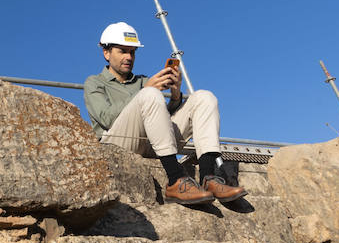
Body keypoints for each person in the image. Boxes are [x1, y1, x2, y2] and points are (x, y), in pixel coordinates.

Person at [83, 21, 245, 206]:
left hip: (153, 143)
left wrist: (175, 96)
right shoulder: (94, 83)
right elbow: (106, 118)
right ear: (106, 53)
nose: (129, 57)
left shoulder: (144, 81)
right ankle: (175, 179)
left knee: (204, 97)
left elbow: (159, 118)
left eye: (133, 52)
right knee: (150, 94)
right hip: (117, 144)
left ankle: (209, 177)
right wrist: (146, 90)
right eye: (122, 51)